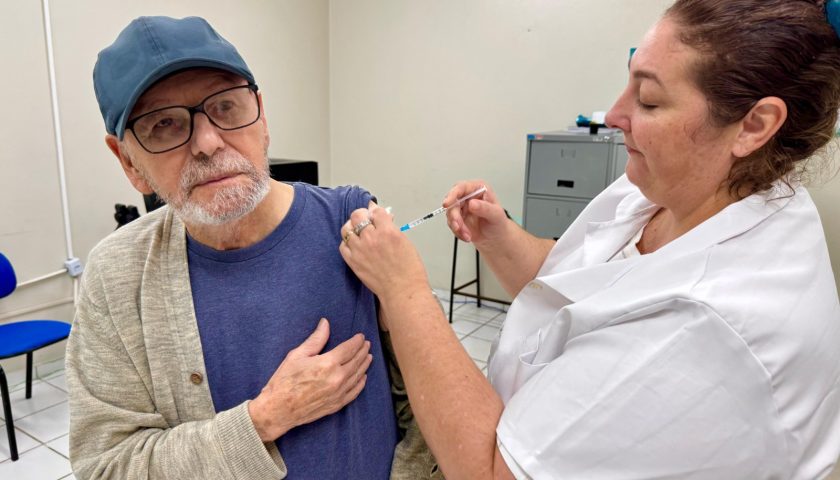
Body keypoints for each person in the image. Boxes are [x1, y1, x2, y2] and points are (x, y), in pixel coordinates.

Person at [338, 0, 840, 478]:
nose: (614, 115)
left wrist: (403, 290)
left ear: (754, 125)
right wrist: (500, 237)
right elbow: (578, 283)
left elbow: (491, 472)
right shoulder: (677, 183)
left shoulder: (709, 330)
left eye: (649, 99)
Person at [65, 16, 435, 480]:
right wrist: (262, 420)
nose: (207, 142)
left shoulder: (352, 223)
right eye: (164, 124)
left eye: (225, 106)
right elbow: (106, 466)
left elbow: (426, 402)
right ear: (128, 162)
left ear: (261, 115)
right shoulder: (116, 277)